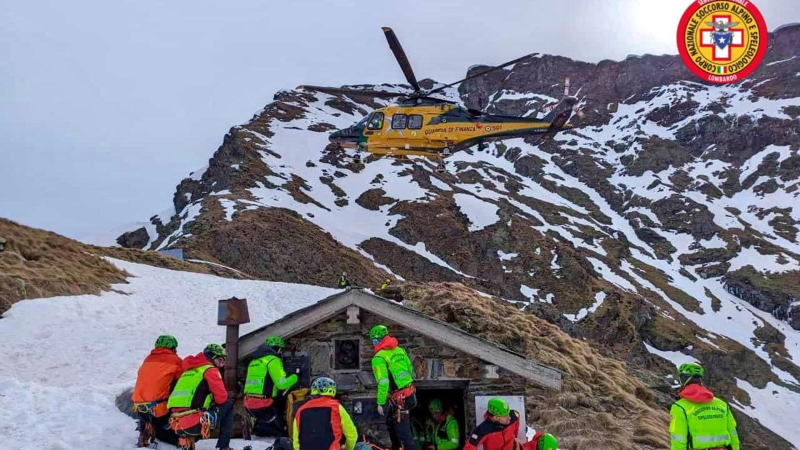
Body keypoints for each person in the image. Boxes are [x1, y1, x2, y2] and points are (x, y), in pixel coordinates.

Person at [167, 344, 235, 450]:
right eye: (221, 360)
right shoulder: (210, 370)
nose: (222, 365)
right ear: (213, 357)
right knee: (228, 405)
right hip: (195, 422)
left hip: (175, 423)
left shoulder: (187, 371)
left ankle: (187, 440)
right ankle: (224, 446)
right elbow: (221, 398)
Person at [669, 362, 740, 450]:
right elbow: (733, 434)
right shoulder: (721, 404)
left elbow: (679, 439)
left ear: (683, 379)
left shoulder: (680, 407)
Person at [370, 324, 417, 450]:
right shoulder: (400, 351)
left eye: (373, 341)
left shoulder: (379, 357)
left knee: (403, 433)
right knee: (394, 426)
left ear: (376, 340)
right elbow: (410, 370)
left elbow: (384, 382)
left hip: (399, 399)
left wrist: (380, 402)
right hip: (409, 394)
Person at [131, 334, 183, 447]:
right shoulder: (175, 360)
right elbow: (183, 379)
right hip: (159, 409)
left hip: (140, 408)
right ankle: (164, 432)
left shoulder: (148, 359)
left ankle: (146, 428)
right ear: (173, 348)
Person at [244, 335, 299, 436]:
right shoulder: (273, 360)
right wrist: (295, 376)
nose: (281, 353)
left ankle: (260, 427)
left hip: (248, 403)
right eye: (281, 350)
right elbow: (282, 384)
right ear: (277, 349)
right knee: (282, 429)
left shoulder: (254, 361)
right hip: (263, 404)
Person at [292, 376, 357, 450]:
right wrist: (347, 448)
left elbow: (296, 441)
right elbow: (352, 435)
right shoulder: (336, 407)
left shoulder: (300, 410)